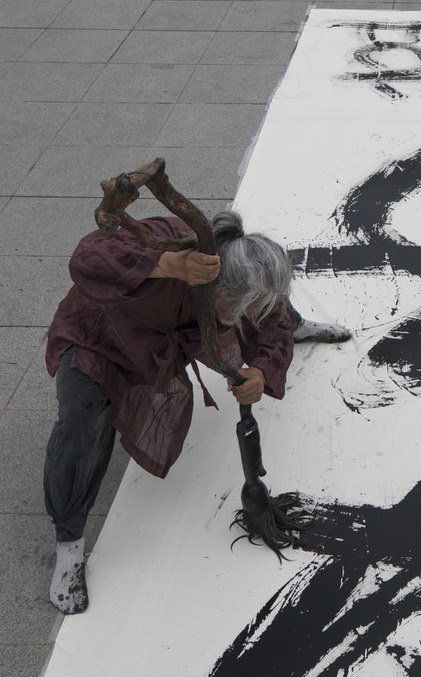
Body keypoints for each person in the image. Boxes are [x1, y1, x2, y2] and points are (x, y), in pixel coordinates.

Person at [43, 210, 295, 613]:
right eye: (245, 303)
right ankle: (69, 541)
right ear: (218, 287)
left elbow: (271, 320)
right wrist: (167, 264)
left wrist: (262, 372)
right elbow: (89, 255)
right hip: (100, 337)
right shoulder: (170, 239)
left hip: (171, 338)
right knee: (81, 424)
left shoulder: (242, 296)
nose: (255, 310)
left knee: (266, 324)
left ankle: (294, 328)